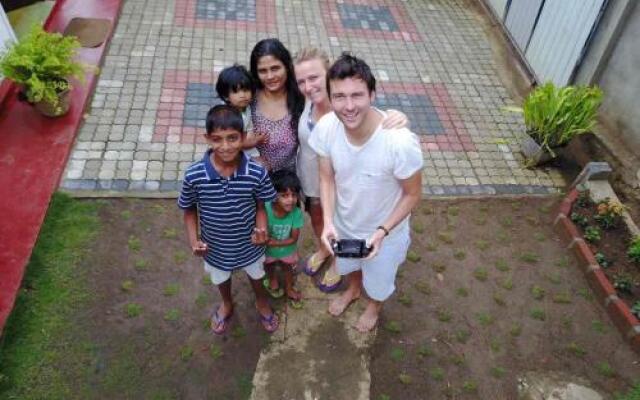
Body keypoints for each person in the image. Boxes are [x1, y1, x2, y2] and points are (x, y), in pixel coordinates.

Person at [309, 53, 423, 332]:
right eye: (339, 97)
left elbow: (413, 194)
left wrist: (382, 232)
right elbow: (326, 177)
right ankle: (353, 291)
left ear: (372, 94)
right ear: (330, 98)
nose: (348, 106)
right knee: (350, 268)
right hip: (345, 225)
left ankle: (374, 307)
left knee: (380, 281)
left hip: (386, 233)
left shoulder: (399, 142)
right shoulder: (326, 127)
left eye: (357, 95)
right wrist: (329, 223)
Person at [293, 47, 409, 292]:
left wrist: (398, 117)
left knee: (349, 237)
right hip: (313, 182)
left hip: (348, 190)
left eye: (314, 78)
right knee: (322, 223)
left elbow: (367, 112)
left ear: (328, 76)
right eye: (301, 81)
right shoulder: (306, 101)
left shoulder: (349, 107)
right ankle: (328, 251)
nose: (308, 86)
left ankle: (340, 265)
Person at [178, 104, 279, 335]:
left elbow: (262, 206)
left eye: (233, 138)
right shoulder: (194, 175)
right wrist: (194, 241)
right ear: (207, 139)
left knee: (256, 276)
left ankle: (261, 302)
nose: (225, 146)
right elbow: (189, 210)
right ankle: (226, 303)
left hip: (250, 245)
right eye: (217, 139)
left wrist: (262, 228)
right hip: (215, 247)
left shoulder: (256, 172)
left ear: (243, 137)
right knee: (220, 278)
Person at [249, 38, 305, 172]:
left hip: (287, 184)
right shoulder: (248, 99)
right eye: (263, 71)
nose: (269, 76)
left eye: (275, 68)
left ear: (287, 67)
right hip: (252, 180)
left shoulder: (301, 97)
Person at [262, 170, 304, 309]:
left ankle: (289, 288)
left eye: (293, 195)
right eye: (284, 195)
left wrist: (273, 242)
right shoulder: (264, 209)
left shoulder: (296, 213)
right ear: (273, 195)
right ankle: (272, 280)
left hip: (287, 251)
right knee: (269, 266)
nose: (291, 200)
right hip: (267, 251)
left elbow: (293, 239)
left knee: (287, 269)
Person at [215, 64, 262, 158]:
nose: (243, 95)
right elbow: (231, 143)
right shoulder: (225, 117)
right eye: (236, 92)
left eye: (246, 90)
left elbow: (249, 128)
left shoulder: (246, 107)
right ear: (225, 96)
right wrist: (254, 142)